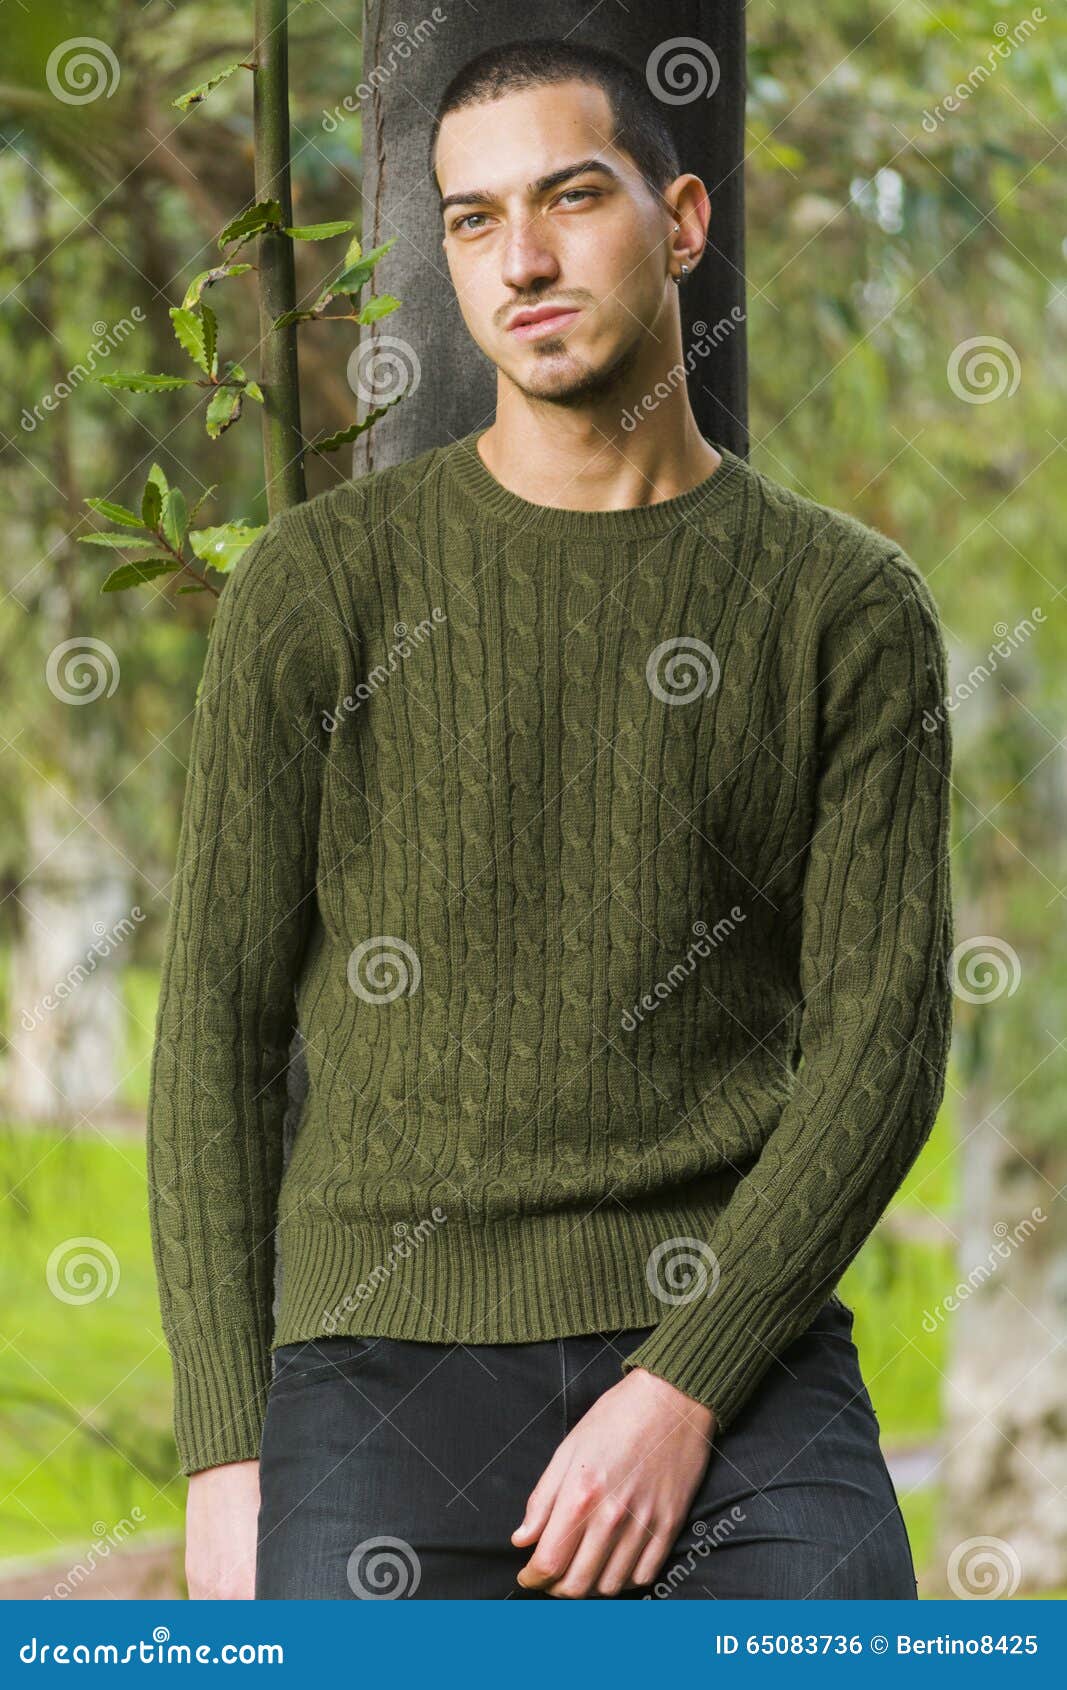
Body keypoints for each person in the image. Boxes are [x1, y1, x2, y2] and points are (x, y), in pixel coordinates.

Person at [146, 38, 954, 1601]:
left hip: (733, 1347)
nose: (518, 258)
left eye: (572, 197)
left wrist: (684, 1384)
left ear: (685, 218)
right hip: (376, 1351)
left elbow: (883, 1044)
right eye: (469, 218)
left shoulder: (846, 609)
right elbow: (214, 1033)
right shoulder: (320, 588)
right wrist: (225, 1449)